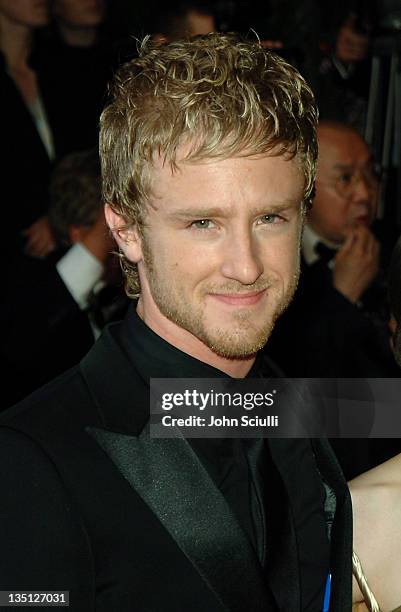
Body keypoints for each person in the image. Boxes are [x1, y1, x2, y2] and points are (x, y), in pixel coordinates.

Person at [0, 34, 352, 611]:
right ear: (126, 230)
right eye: (202, 224)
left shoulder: (308, 410)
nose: (247, 266)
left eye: (270, 217)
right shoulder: (33, 458)